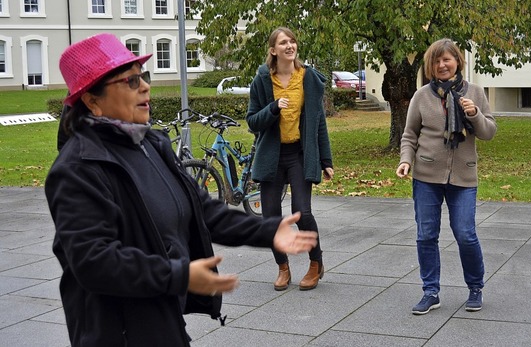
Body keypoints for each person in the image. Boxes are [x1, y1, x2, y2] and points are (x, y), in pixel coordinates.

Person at [45, 33, 318, 347]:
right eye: (130, 81)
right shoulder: (78, 169)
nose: (146, 86)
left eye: (143, 77)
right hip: (115, 331)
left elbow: (201, 209)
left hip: (160, 315)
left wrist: (266, 231)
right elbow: (94, 261)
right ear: (92, 101)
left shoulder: (150, 143)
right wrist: (179, 276)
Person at [396, 38, 497, 315]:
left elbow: (488, 132)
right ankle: (431, 291)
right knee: (426, 234)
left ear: (457, 61)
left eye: (447, 59)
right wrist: (406, 161)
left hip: (463, 175)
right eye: (437, 61)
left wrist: (474, 114)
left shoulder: (474, 92)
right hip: (426, 175)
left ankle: (475, 287)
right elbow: (410, 135)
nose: (442, 65)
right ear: (430, 66)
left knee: (465, 233)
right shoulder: (421, 96)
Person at [246, 27, 334, 291]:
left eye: (292, 41)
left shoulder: (307, 79)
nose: (290, 45)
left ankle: (315, 264)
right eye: (283, 42)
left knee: (301, 213)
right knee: (270, 219)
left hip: (298, 154)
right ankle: (283, 268)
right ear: (273, 50)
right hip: (272, 156)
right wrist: (272, 108)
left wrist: (325, 160)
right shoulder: (262, 81)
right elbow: (252, 122)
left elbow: (318, 123)